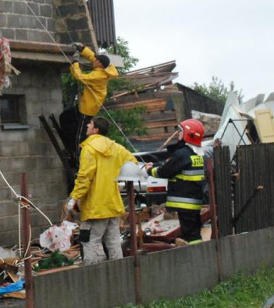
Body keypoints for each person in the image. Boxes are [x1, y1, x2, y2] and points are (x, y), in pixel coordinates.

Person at [65, 117, 138, 265]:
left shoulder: (89, 149)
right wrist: (118, 182)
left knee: (89, 242)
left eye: (90, 124)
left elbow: (85, 177)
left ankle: (91, 277)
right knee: (113, 243)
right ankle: (120, 275)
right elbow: (133, 162)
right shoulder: (116, 148)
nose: (87, 125)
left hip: (95, 208)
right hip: (112, 205)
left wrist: (74, 198)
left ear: (95, 129)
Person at [147, 119, 207, 244]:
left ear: (188, 134)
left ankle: (194, 257)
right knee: (194, 233)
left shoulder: (183, 154)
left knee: (189, 235)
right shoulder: (198, 154)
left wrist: (150, 170)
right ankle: (199, 253)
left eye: (181, 131)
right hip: (194, 202)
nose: (179, 134)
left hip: (184, 203)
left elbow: (164, 172)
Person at [61, 41, 118, 147]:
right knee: (65, 116)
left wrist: (75, 62)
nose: (94, 60)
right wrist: (82, 49)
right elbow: (93, 57)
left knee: (81, 134)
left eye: (96, 60)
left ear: (100, 64)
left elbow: (79, 76)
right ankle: (69, 140)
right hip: (84, 104)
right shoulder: (104, 67)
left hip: (88, 109)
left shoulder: (98, 76)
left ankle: (77, 152)